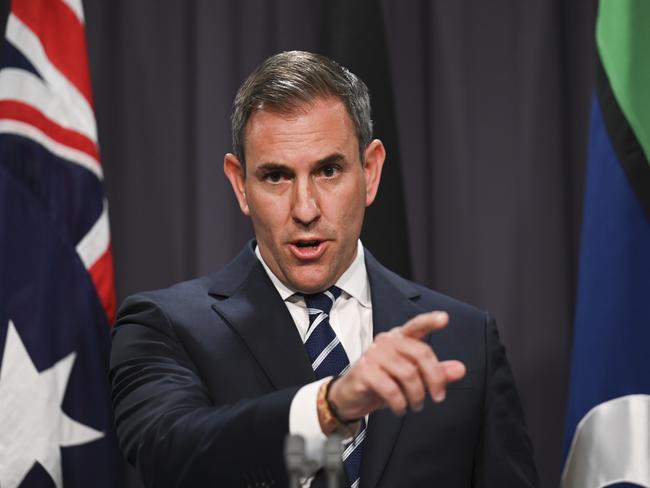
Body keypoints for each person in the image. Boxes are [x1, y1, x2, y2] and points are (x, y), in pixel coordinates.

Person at [109, 50, 539, 488]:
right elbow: (171, 453)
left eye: (329, 170)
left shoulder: (466, 340)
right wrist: (328, 406)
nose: (305, 208)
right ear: (240, 184)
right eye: (276, 177)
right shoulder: (165, 326)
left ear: (370, 172)